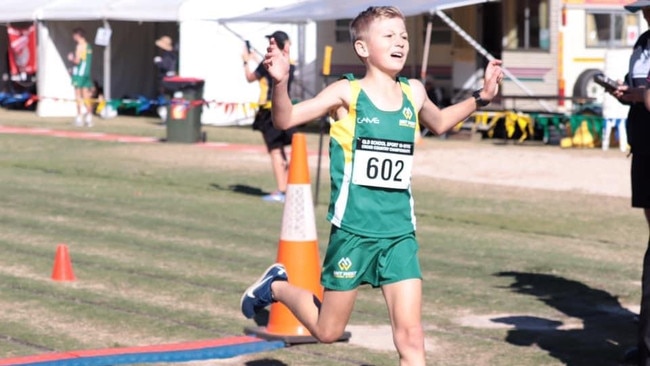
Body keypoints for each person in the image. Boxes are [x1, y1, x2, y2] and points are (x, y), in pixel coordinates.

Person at [240, 6, 503, 365]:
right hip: (353, 232)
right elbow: (285, 118)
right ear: (363, 49)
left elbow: (439, 122)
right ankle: (275, 286)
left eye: (404, 36)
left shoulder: (414, 92)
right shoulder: (347, 93)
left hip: (399, 233)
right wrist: (281, 82)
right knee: (328, 331)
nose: (400, 42)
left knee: (411, 336)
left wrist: (481, 98)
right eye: (389, 36)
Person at [609, 2, 650, 364]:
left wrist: (638, 96)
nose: (645, 15)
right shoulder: (643, 45)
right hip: (645, 149)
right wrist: (627, 94)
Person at [242, 30, 297, 203]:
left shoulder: (268, 64)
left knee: (275, 152)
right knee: (284, 152)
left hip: (268, 111)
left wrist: (245, 61)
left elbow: (250, 78)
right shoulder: (290, 63)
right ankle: (288, 188)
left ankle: (281, 190)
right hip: (286, 109)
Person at [67, 27, 93, 127]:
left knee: (78, 96)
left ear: (78, 35)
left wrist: (71, 58)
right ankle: (89, 117)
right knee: (86, 96)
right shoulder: (88, 46)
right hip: (86, 74)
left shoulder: (80, 46)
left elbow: (77, 61)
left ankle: (79, 117)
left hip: (79, 75)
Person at [153, 35, 178, 122]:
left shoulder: (167, 55)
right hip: (170, 80)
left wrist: (159, 62)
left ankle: (166, 120)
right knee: (168, 99)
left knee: (165, 100)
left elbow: (165, 67)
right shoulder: (172, 55)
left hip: (166, 81)